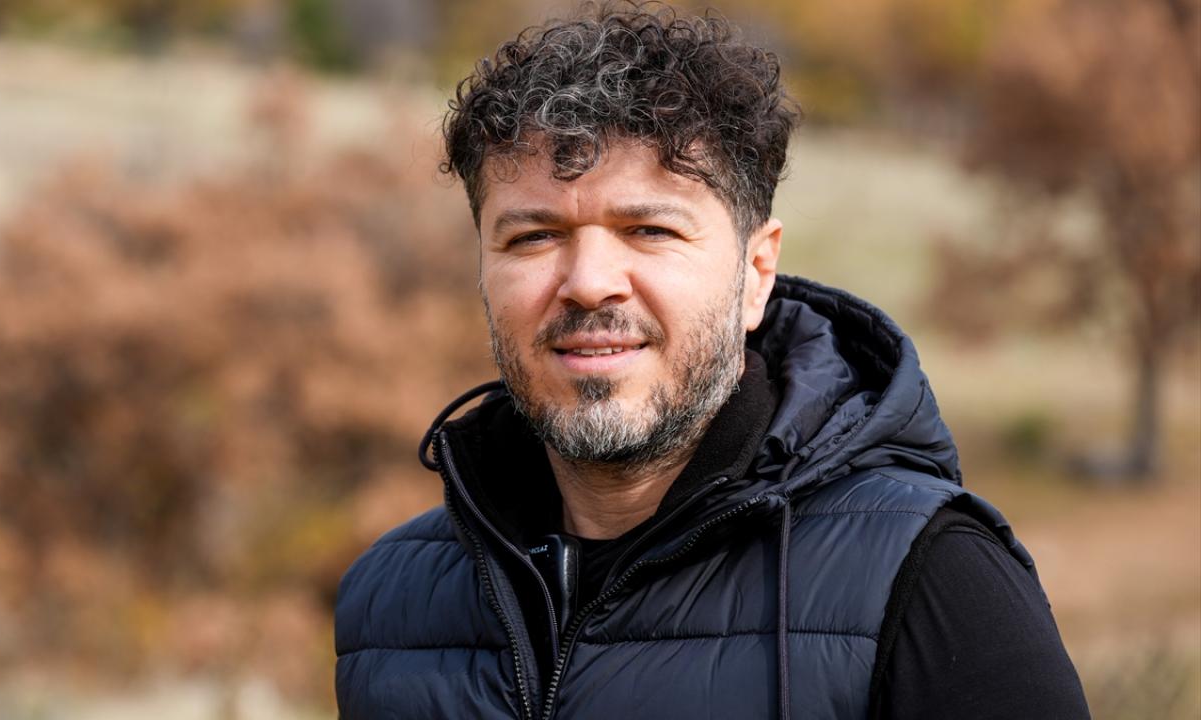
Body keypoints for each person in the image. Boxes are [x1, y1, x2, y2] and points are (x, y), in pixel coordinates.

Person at [334, 4, 1090, 718]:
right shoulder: (390, 606)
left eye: (649, 230)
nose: (589, 282)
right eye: (533, 236)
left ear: (756, 273)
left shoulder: (932, 580)